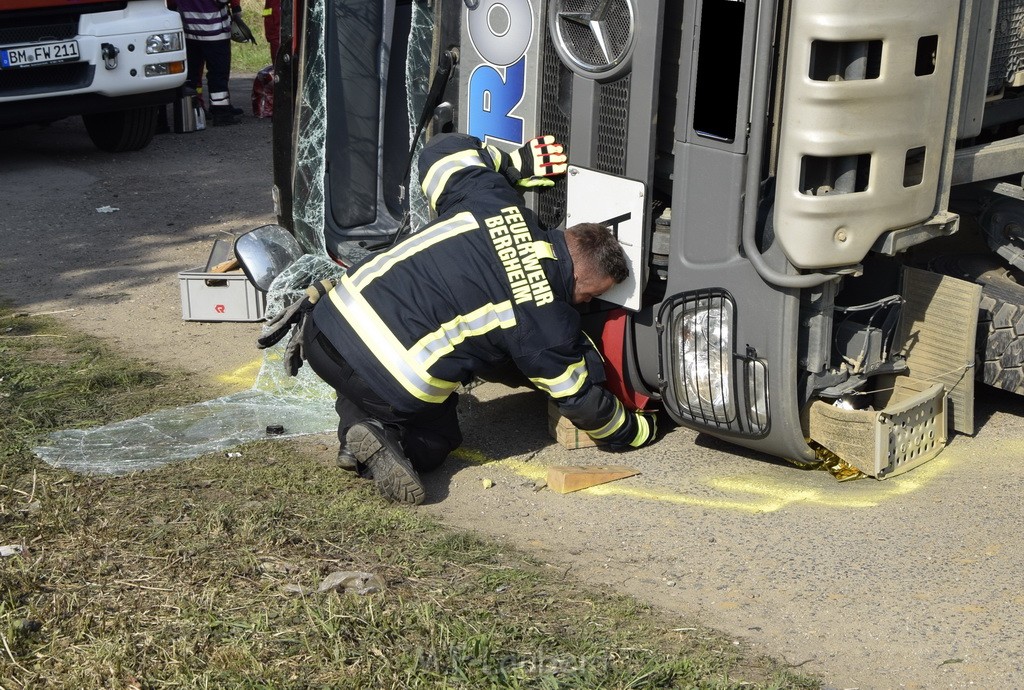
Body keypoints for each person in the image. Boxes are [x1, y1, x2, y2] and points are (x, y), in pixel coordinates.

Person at [275, 133, 658, 505]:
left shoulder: (494, 201)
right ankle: (385, 434)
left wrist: (515, 165)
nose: (582, 303)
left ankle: (358, 426)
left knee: (367, 372)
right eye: (589, 296)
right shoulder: (547, 317)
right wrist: (641, 429)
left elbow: (442, 152)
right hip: (389, 383)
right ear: (581, 277)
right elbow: (579, 401)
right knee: (439, 438)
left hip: (323, 325)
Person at [170, 0, 243, 126]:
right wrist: (235, 8)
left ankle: (192, 112)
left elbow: (172, 4)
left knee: (191, 75)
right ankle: (221, 112)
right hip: (214, 31)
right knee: (218, 74)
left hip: (189, 30)